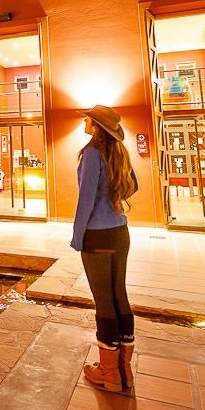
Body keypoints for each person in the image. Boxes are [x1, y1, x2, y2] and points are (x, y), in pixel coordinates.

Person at [72, 105, 138, 393]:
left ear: (96, 125)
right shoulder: (120, 151)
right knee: (119, 294)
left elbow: (85, 198)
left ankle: (109, 373)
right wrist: (114, 198)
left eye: (88, 119)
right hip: (120, 231)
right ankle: (125, 370)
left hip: (97, 236)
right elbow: (133, 185)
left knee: (104, 301)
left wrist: (78, 236)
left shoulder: (91, 153)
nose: (85, 122)